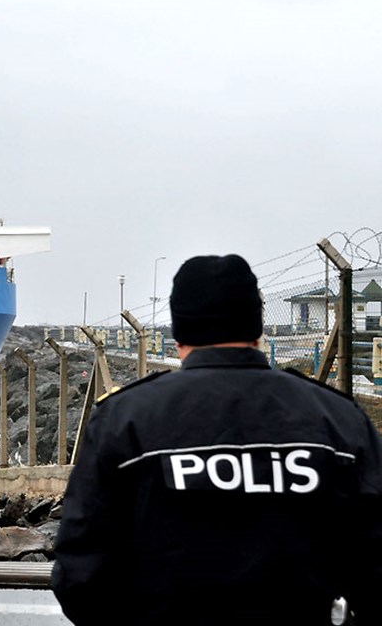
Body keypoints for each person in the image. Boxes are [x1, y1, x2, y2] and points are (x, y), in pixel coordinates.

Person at [51, 254, 382, 625]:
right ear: (258, 329)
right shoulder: (337, 421)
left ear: (177, 333)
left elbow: (80, 574)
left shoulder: (125, 421)